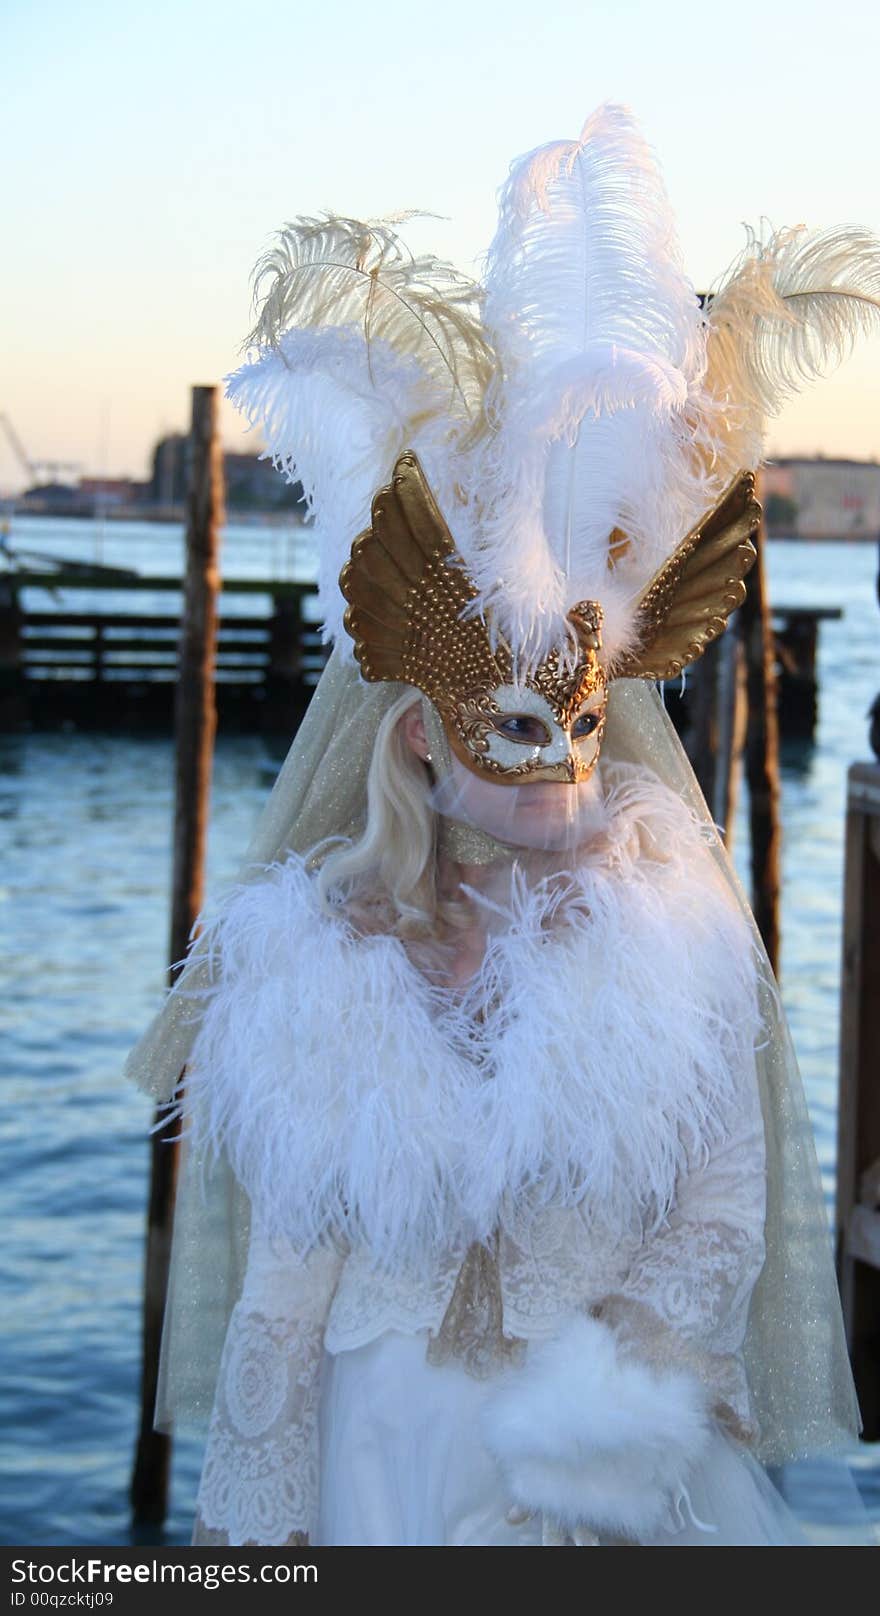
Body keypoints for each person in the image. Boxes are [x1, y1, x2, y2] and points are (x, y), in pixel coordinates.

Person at [125, 103, 880, 1546]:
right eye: (514, 733)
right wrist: (264, 1531)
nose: (563, 773)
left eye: (582, 729)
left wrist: (584, 1450)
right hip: (378, 1460)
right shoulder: (313, 958)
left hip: (595, 1465)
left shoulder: (672, 935)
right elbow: (287, 1287)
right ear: (419, 737)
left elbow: (720, 1221)